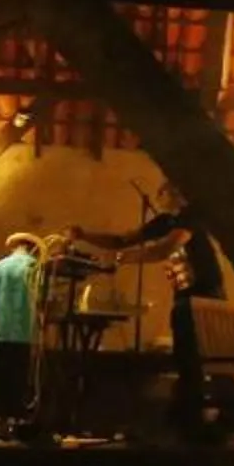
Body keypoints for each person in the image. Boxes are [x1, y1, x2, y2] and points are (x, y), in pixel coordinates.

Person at [77, 181, 224, 443]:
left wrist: (124, 258)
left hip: (205, 295)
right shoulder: (164, 222)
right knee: (185, 356)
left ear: (177, 194)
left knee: (200, 356)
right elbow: (121, 240)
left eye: (164, 190)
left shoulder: (190, 218)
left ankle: (202, 419)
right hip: (185, 296)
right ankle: (188, 417)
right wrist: (83, 235)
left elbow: (165, 248)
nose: (159, 195)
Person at [0, 232, 41, 441]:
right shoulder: (36, 267)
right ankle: (18, 430)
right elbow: (45, 301)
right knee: (21, 384)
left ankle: (0, 428)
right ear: (32, 247)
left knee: (1, 383)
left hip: (1, 335)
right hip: (25, 336)